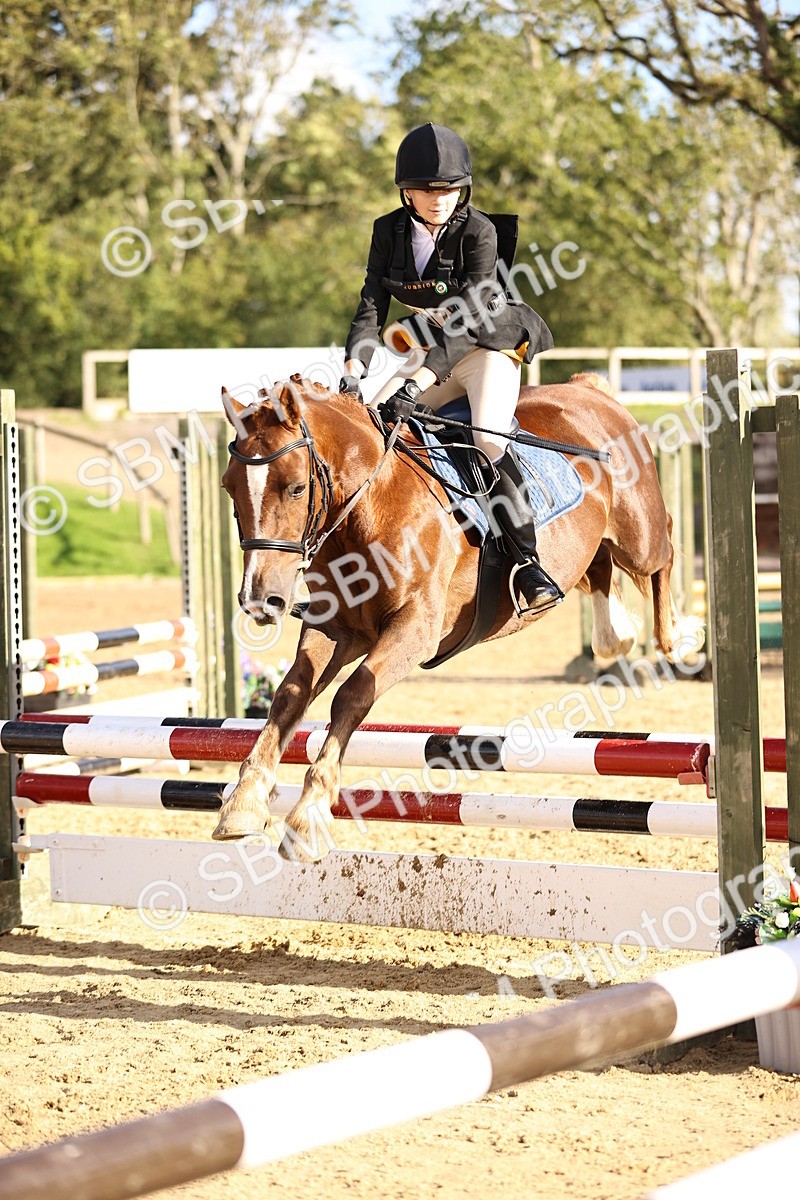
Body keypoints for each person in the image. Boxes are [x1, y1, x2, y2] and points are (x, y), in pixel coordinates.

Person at [340, 121, 563, 615]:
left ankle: (528, 564)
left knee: (489, 440)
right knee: (376, 427)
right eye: (425, 189)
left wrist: (418, 381)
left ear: (462, 189)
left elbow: (468, 321)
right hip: (431, 351)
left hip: (486, 351)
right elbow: (372, 303)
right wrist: (356, 364)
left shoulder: (480, 230)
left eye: (447, 189)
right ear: (406, 193)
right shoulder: (386, 231)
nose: (437, 198)